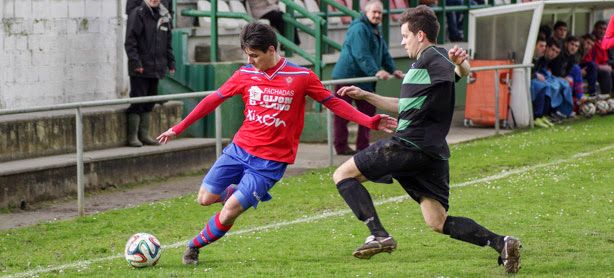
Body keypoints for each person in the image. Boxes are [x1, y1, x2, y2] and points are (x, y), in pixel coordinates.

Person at [156, 22, 398, 266]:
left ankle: (193, 246)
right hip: (239, 150)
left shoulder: (301, 77)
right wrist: (178, 128)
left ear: (271, 50)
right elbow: (212, 100)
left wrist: (369, 121)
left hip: (270, 163)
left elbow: (333, 103)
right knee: (205, 198)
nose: (250, 61)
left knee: (230, 210)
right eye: (247, 55)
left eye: (254, 56)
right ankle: (240, 192)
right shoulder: (245, 74)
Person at [330, 5, 522, 274]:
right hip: (432, 154)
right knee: (437, 221)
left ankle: (378, 234)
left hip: (409, 145)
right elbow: (402, 104)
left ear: (420, 35)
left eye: (405, 35)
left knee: (342, 175)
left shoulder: (433, 56)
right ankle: (502, 243)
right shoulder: (422, 66)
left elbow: (461, 70)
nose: (402, 41)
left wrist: (461, 62)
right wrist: (365, 96)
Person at [331, 0, 403, 155]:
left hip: (364, 78)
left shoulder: (375, 29)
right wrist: (375, 71)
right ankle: (341, 146)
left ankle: (363, 147)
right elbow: (361, 53)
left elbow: (383, 52)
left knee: (368, 113)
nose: (377, 15)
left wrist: (393, 69)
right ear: (366, 12)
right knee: (342, 114)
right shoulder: (359, 29)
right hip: (347, 77)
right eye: (374, 12)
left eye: (379, 13)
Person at [125, 0, 175, 147]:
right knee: (137, 101)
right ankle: (132, 136)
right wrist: (136, 63)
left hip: (156, 68)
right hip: (140, 69)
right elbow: (130, 41)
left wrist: (170, 62)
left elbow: (168, 42)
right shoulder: (138, 13)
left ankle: (144, 134)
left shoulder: (164, 16)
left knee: (150, 102)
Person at [583, 20, 613, 95]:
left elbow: (607, 59)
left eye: (604, 29)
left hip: (601, 66)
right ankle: (605, 96)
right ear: (595, 29)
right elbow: (587, 61)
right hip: (590, 68)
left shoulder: (604, 41)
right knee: (606, 73)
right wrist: (601, 67)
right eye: (600, 28)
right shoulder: (590, 41)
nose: (602, 31)